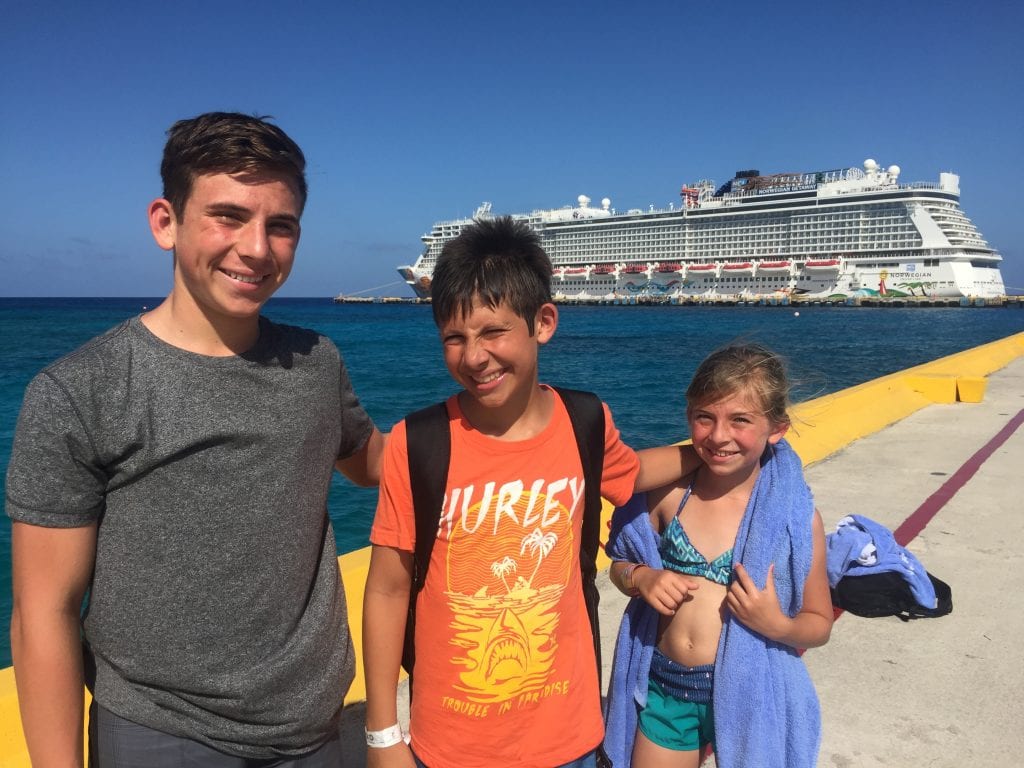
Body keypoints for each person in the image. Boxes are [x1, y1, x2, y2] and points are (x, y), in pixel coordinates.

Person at [6, 112, 385, 767]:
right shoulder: (81, 389)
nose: (257, 248)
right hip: (163, 733)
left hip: (314, 724)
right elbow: (45, 610)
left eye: (281, 225)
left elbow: (375, 462)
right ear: (165, 222)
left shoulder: (317, 363)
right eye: (228, 216)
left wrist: (507, 419)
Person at [362, 216, 698, 768]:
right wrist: (382, 736)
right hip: (449, 745)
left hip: (568, 736)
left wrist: (707, 448)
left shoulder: (585, 420)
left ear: (543, 322)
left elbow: (629, 472)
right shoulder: (415, 442)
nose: (474, 357)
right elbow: (388, 591)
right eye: (454, 337)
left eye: (493, 332)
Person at [603, 343, 834, 768]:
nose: (719, 434)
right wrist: (640, 578)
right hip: (665, 686)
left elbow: (819, 625)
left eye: (740, 420)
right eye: (704, 417)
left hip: (752, 690)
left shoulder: (794, 519)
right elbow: (618, 562)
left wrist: (776, 624)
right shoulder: (671, 495)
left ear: (776, 429)